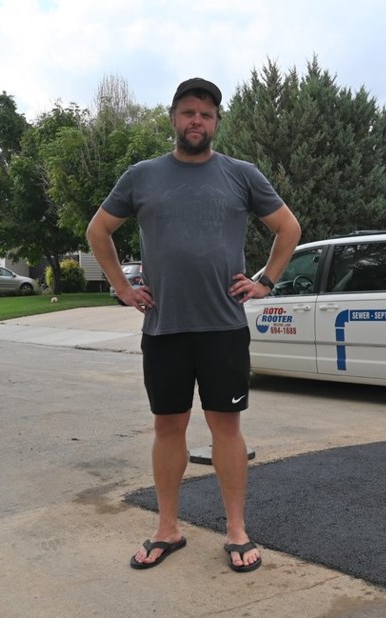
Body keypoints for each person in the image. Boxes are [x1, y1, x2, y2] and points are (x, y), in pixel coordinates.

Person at [86, 77, 301, 573]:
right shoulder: (141, 176)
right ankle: (168, 528)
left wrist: (266, 280)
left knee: (226, 427)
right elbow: (98, 230)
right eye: (188, 112)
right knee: (168, 426)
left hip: (223, 326)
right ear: (173, 118)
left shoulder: (241, 175)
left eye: (205, 114)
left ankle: (236, 530)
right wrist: (121, 286)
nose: (196, 121)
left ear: (216, 122)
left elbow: (288, 228)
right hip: (164, 327)